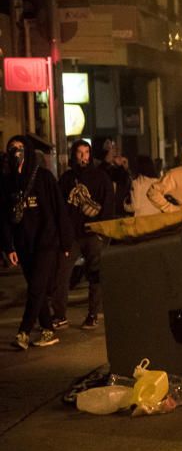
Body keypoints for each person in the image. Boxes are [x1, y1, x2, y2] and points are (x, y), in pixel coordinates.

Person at [1, 137, 73, 349]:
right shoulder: (7, 182)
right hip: (24, 243)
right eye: (11, 149)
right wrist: (9, 247)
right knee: (36, 287)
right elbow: (4, 218)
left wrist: (65, 242)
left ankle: (23, 331)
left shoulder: (43, 177)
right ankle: (48, 329)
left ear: (28, 152)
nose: (16, 153)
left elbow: (59, 209)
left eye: (20, 148)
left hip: (46, 241)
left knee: (36, 287)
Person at [51, 139, 116, 331]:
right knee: (61, 275)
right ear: (74, 155)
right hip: (71, 235)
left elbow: (108, 205)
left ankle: (93, 314)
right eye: (80, 153)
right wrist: (62, 234)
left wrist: (102, 231)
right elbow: (59, 208)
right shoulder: (66, 179)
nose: (83, 157)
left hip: (93, 233)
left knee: (95, 274)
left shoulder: (100, 177)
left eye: (86, 153)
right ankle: (60, 315)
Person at [98, 139, 131, 217]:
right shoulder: (101, 168)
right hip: (107, 212)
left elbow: (125, 185)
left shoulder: (117, 168)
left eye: (114, 147)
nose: (115, 150)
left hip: (119, 211)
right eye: (111, 148)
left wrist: (124, 168)